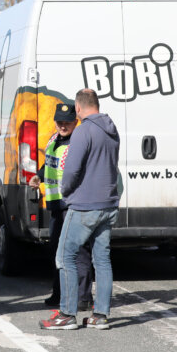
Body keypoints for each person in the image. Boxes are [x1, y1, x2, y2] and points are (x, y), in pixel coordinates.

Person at [40, 89, 120, 331]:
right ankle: (100, 315)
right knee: (102, 261)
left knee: (64, 257)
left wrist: (66, 190)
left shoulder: (83, 130)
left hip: (85, 205)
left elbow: (72, 170)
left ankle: (66, 313)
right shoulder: (111, 128)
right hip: (108, 204)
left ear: (78, 107)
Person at [28, 103, 93, 310]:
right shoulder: (54, 140)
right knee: (57, 251)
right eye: (59, 122)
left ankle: (83, 298)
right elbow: (49, 163)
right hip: (56, 204)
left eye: (67, 122)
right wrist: (38, 176)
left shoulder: (78, 142)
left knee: (79, 251)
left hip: (73, 204)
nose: (62, 126)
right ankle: (59, 293)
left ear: (76, 122)